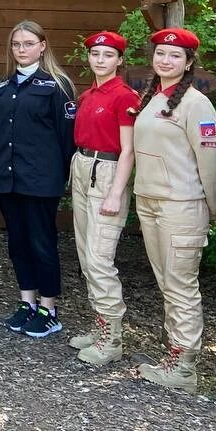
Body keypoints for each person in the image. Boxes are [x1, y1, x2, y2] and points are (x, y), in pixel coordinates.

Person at [131, 27, 216, 393]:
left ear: (188, 63)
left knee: (181, 286)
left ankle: (184, 366)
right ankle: (173, 354)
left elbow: (211, 161)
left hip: (181, 206)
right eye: (160, 54)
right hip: (150, 201)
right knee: (166, 283)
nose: (165, 60)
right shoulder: (152, 97)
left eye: (174, 56)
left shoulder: (197, 104)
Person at [0, 21, 76, 338]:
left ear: (43, 46)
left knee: (42, 244)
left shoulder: (56, 85)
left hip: (41, 181)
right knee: (17, 244)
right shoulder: (3, 86)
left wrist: (62, 177)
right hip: (9, 178)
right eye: (16, 44)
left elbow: (67, 139)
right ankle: (27, 302)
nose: (22, 49)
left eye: (28, 43)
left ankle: (49, 308)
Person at [69, 31, 140, 366]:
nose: (100, 60)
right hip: (82, 166)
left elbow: (128, 151)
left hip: (108, 170)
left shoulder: (123, 96)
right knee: (85, 254)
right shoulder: (88, 95)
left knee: (100, 257)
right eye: (95, 55)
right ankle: (98, 327)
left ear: (120, 60)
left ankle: (112, 338)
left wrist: (115, 192)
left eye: (108, 55)